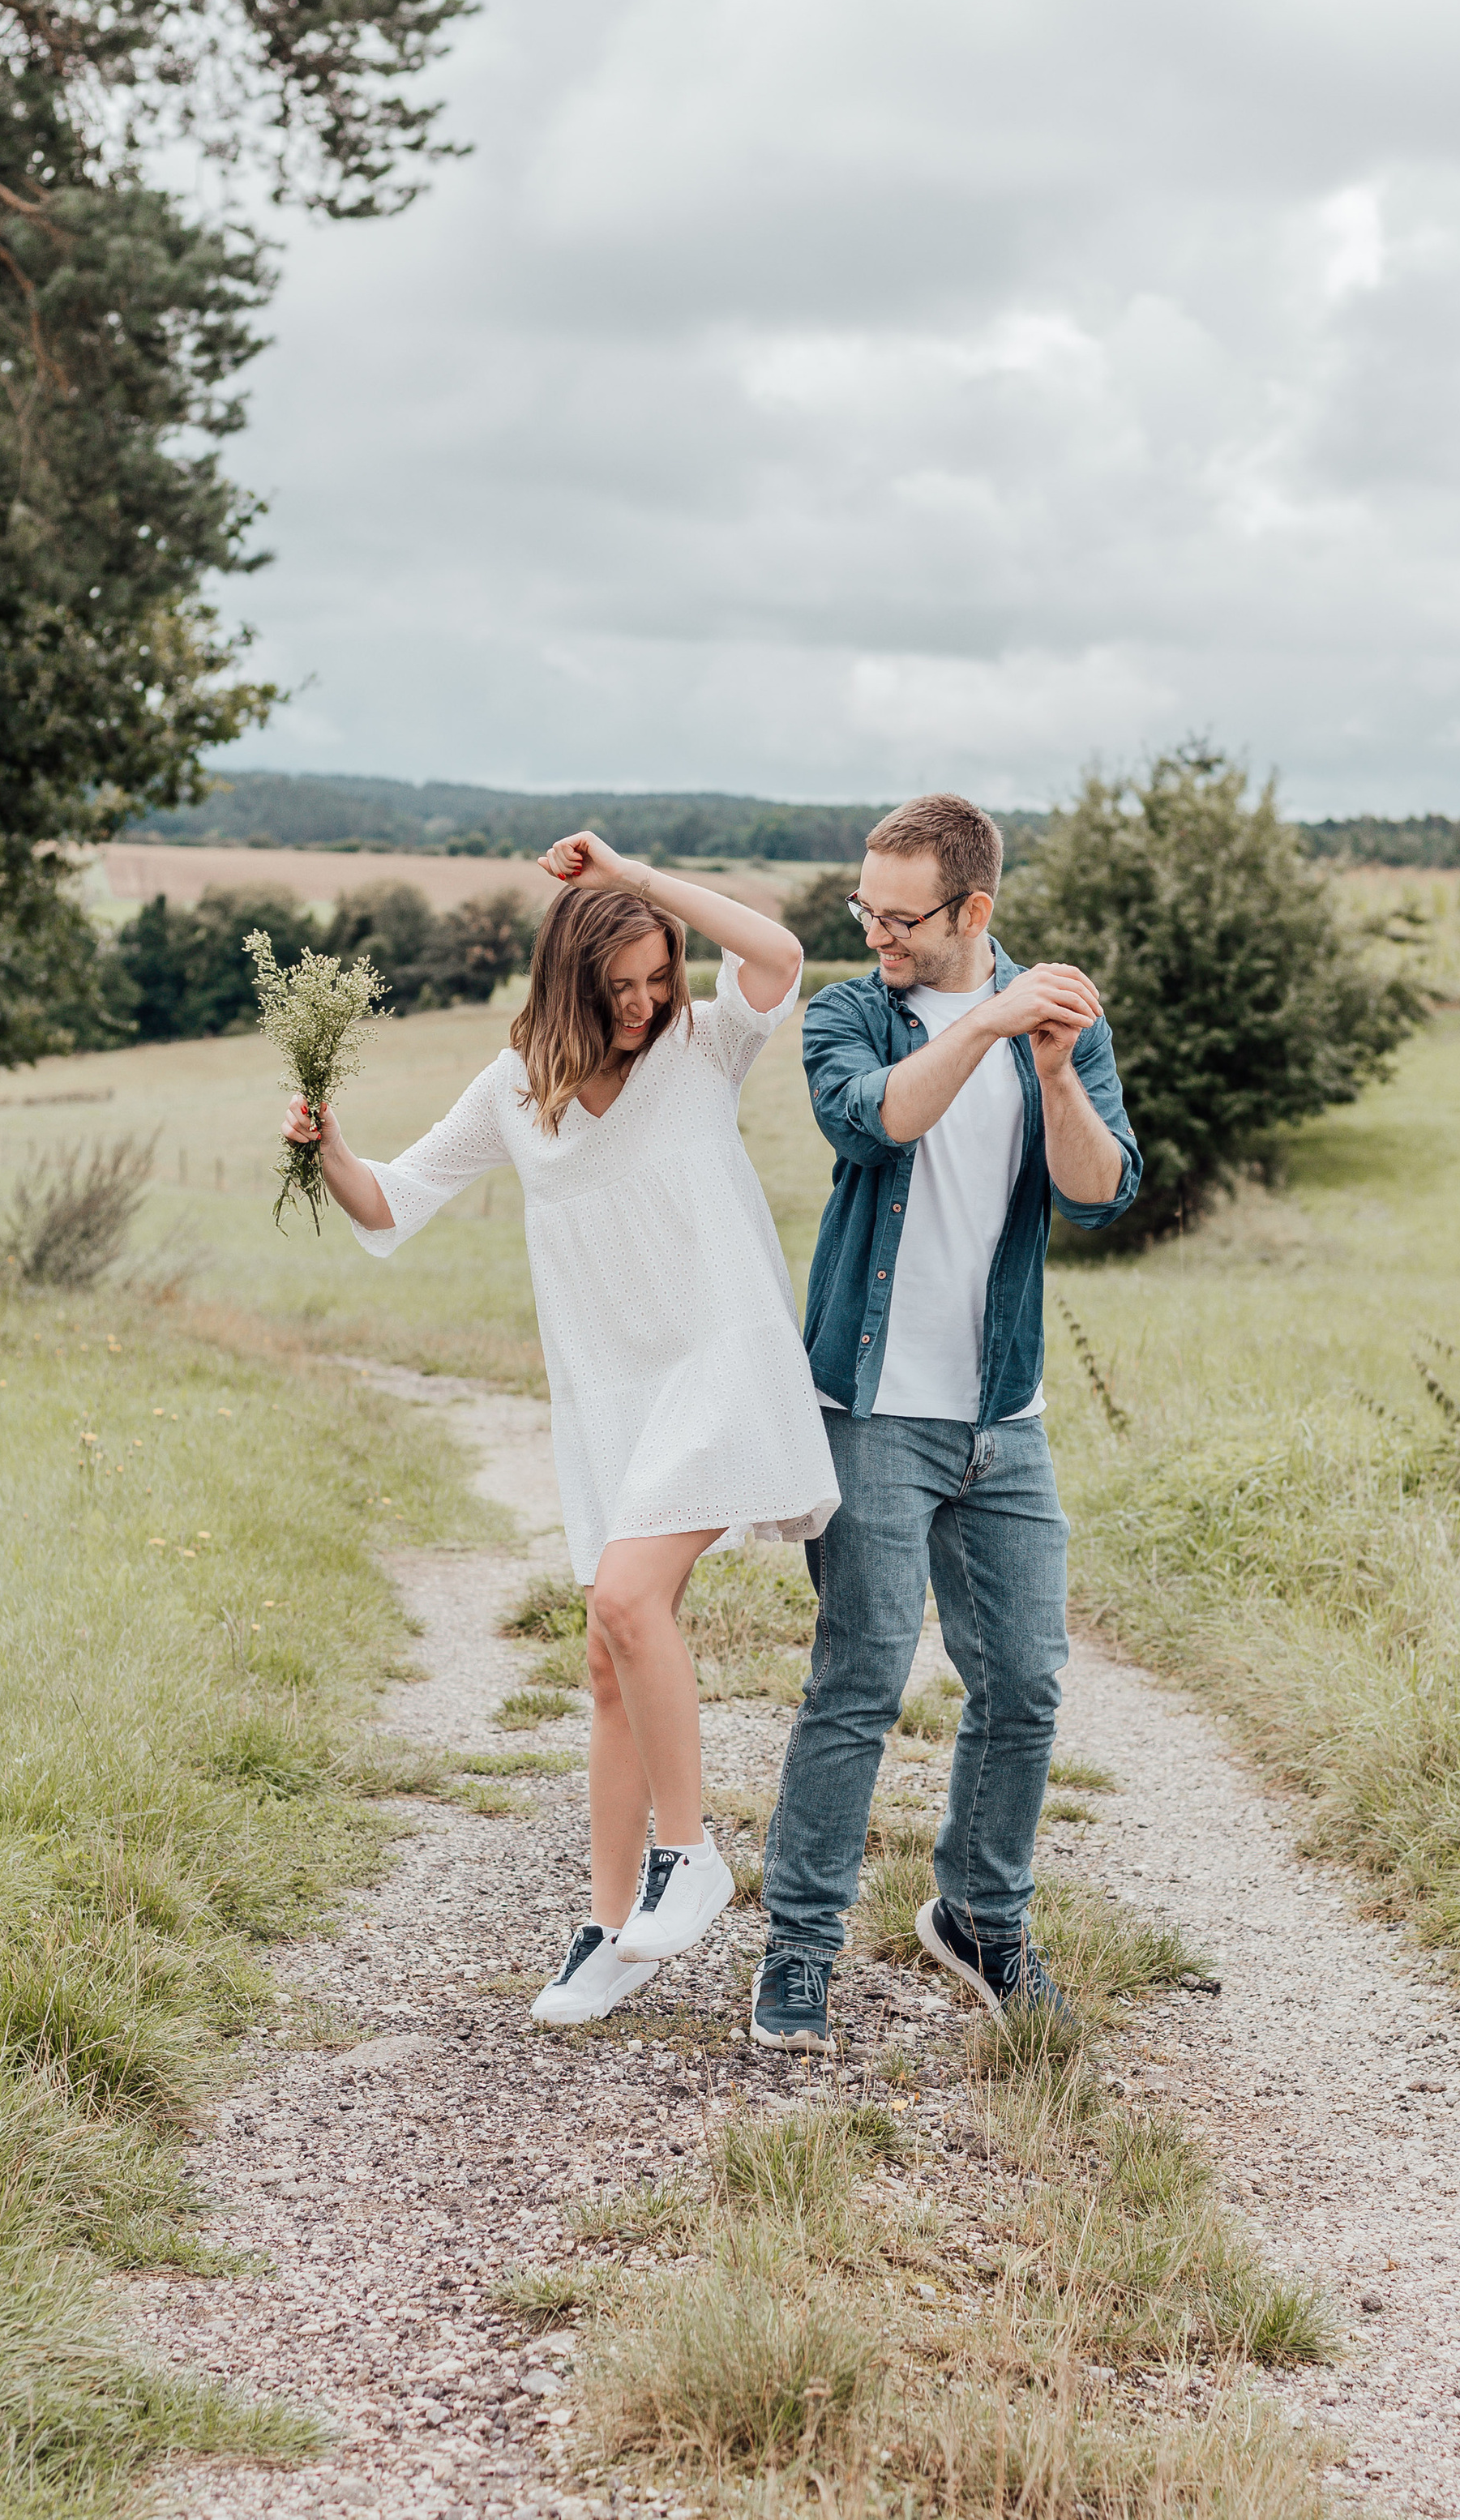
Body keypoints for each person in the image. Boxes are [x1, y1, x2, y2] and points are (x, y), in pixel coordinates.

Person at [280, 835, 837, 2027]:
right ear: (566, 988)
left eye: (655, 975)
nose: (642, 1004)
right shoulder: (515, 1090)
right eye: (619, 986)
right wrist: (323, 1142)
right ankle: (610, 1931)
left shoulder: (700, 1045)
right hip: (618, 1398)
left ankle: (688, 1858)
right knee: (604, 1652)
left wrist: (631, 875)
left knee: (632, 1605)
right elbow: (390, 1198)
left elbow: (782, 951)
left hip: (722, 1365)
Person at [751, 792, 1141, 2052]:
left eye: (901, 914)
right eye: (865, 907)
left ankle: (979, 1919)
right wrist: (985, 1022)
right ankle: (800, 1949)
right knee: (858, 1682)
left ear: (975, 909)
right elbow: (875, 1120)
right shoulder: (853, 1013)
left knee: (1025, 1682)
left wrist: (1050, 1070)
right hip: (872, 1407)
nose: (878, 931)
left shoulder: (1055, 1022)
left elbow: (1099, 1193)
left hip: (1000, 1415)